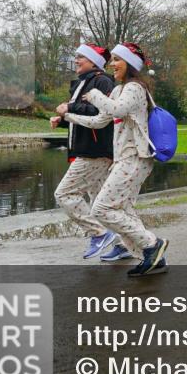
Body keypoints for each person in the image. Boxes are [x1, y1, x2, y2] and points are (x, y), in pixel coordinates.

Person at [63, 42, 169, 277]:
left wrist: (96, 95)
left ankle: (152, 244)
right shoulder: (119, 90)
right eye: (112, 61)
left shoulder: (134, 88)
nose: (112, 65)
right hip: (123, 159)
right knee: (125, 209)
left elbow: (118, 110)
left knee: (101, 208)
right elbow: (100, 121)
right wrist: (68, 116)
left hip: (136, 157)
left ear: (130, 63)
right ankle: (151, 257)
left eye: (117, 61)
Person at [51, 44, 117, 260]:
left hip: (94, 152)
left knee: (64, 194)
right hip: (89, 149)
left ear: (93, 61)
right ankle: (127, 244)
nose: (76, 60)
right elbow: (84, 118)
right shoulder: (83, 84)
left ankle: (99, 233)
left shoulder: (102, 81)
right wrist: (63, 121)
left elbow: (103, 113)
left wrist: (69, 109)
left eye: (80, 56)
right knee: (103, 203)